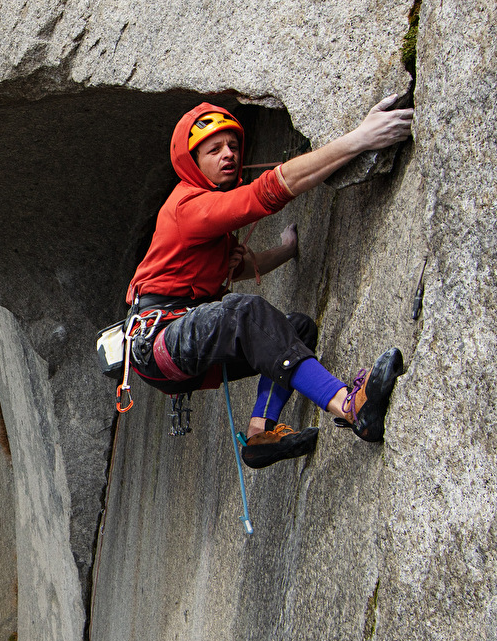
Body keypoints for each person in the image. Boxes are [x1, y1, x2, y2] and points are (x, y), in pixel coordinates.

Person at [126, 96, 413, 468]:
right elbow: (269, 190)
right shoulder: (188, 207)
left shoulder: (207, 219)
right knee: (246, 313)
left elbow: (246, 267)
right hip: (160, 340)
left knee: (294, 329)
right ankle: (349, 405)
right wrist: (361, 138)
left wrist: (287, 249)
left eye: (232, 145)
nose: (227, 154)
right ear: (192, 163)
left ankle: (261, 433)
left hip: (174, 351)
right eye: (213, 149)